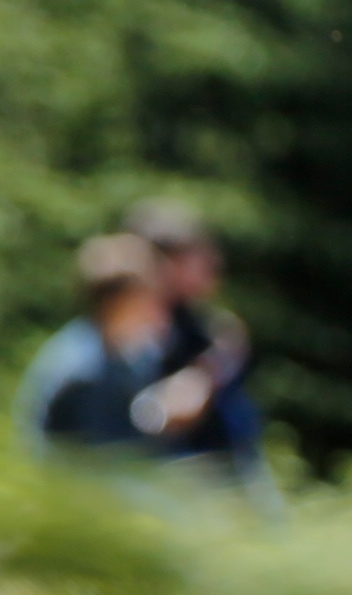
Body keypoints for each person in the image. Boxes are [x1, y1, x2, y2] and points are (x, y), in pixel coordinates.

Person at [131, 204, 270, 488]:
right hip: (175, 477)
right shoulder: (136, 331)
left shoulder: (203, 325)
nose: (214, 264)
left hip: (231, 469)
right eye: (200, 257)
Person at [14, 229, 172, 455]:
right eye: (153, 296)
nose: (160, 309)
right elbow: (99, 461)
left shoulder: (130, 354)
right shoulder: (82, 371)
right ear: (121, 303)